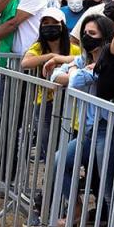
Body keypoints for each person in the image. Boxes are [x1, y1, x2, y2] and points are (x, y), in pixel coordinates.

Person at [51, 14, 114, 227]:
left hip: (108, 128)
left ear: (105, 36)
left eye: (93, 33)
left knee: (108, 184)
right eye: (85, 33)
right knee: (60, 160)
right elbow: (56, 76)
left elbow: (76, 80)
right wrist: (73, 71)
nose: (87, 37)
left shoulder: (110, 62)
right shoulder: (83, 60)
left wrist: (72, 72)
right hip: (88, 130)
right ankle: (76, 208)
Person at [22, 8, 81, 160]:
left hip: (70, 101)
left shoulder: (74, 49)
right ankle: (50, 166)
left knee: (67, 138)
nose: (50, 26)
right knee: (46, 137)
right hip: (44, 100)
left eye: (54, 23)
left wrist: (60, 60)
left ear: (62, 25)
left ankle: (61, 166)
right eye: (46, 23)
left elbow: (82, 61)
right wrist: (51, 56)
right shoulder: (38, 47)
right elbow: (25, 63)